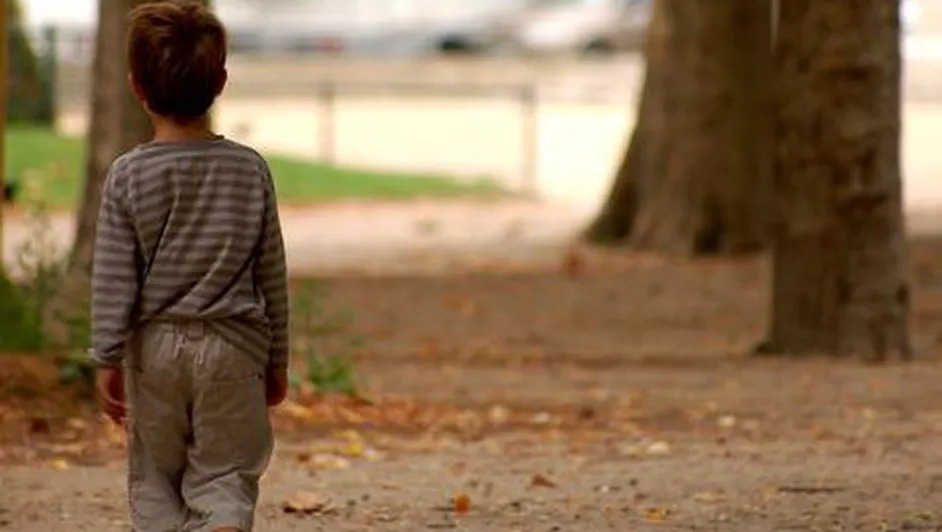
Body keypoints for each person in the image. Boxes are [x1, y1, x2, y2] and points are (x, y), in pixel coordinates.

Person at [88, 2, 289, 530]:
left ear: (136, 86)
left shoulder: (128, 176)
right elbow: (272, 275)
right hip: (234, 346)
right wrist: (277, 361)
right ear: (221, 81)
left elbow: (114, 277)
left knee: (155, 476)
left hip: (154, 351)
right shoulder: (250, 171)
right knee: (224, 475)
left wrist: (107, 355)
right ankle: (221, 520)